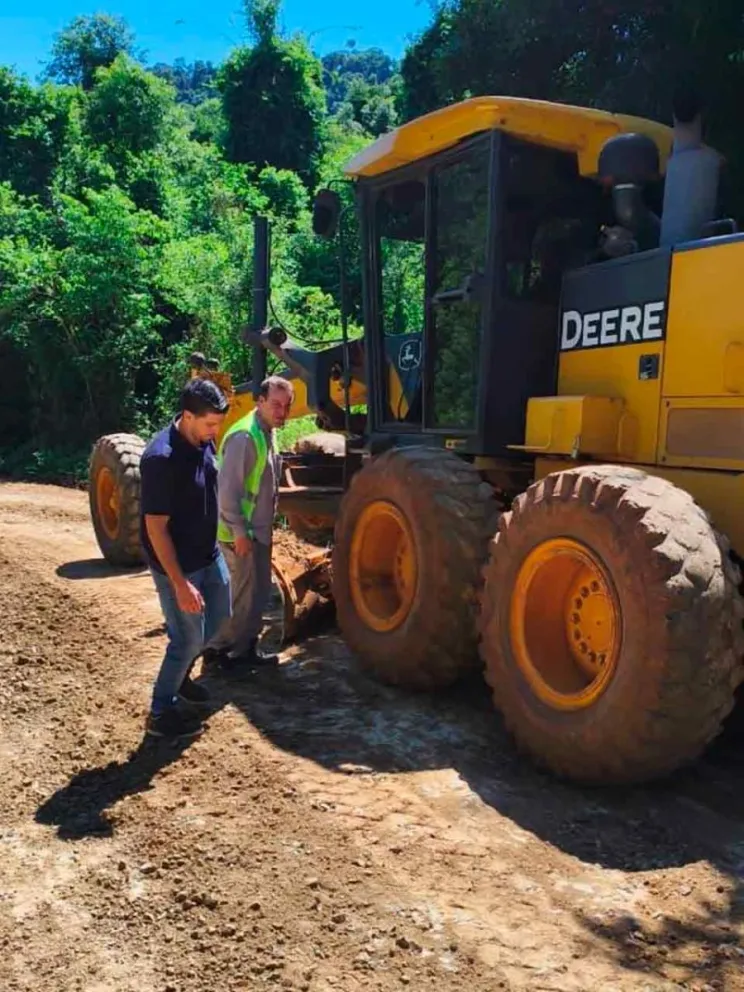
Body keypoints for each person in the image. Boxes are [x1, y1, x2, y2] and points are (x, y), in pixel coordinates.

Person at [140, 377, 232, 738]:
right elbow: (156, 529)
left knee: (222, 617)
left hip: (208, 555)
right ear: (188, 416)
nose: (215, 432)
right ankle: (160, 711)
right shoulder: (160, 459)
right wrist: (179, 584)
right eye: (210, 424)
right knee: (187, 639)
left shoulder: (202, 440)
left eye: (218, 425)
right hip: (177, 566)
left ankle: (181, 678)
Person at [206, 375, 294, 675]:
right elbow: (227, 491)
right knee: (237, 598)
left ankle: (245, 651)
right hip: (238, 535)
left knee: (256, 597)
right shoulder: (244, 437)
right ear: (260, 401)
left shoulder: (267, 431)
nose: (281, 411)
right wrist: (240, 533)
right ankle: (218, 655)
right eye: (276, 405)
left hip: (258, 533)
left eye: (286, 406)